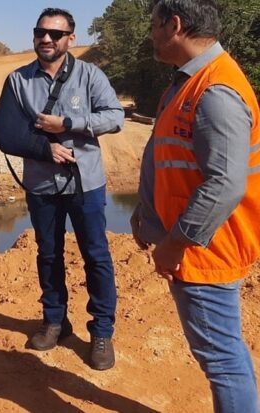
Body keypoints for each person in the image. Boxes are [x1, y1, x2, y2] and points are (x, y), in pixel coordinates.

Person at [131, 0, 260, 410]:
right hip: (198, 245)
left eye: (154, 25)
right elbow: (169, 159)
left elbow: (224, 185)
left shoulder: (215, 90)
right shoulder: (187, 80)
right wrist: (146, 214)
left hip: (206, 251)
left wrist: (175, 244)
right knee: (226, 351)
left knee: (221, 360)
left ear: (175, 25)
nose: (150, 33)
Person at [0, 7, 124, 370]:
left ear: (70, 39)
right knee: (48, 253)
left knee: (96, 255)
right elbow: (2, 133)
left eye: (54, 33)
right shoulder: (18, 81)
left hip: (87, 183)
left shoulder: (89, 75)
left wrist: (69, 122)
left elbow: (115, 117)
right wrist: (44, 148)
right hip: (41, 185)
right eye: (40, 32)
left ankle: (101, 331)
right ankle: (54, 321)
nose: (45, 39)